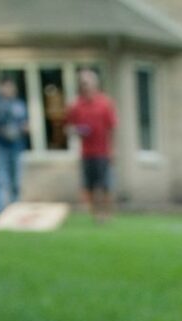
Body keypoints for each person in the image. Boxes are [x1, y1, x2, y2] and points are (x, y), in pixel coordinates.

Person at [65, 69, 117, 221]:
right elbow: (68, 128)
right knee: (90, 187)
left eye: (87, 83)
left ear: (95, 84)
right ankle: (96, 215)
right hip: (86, 152)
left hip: (103, 151)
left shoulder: (105, 103)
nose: (85, 86)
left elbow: (112, 127)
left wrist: (113, 150)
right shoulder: (75, 105)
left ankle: (107, 215)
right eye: (82, 83)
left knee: (105, 185)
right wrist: (76, 131)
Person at [0, 73, 28, 219]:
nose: (7, 90)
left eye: (9, 87)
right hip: (2, 146)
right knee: (0, 178)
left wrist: (22, 129)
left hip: (16, 146)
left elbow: (26, 124)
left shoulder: (19, 105)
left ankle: (16, 207)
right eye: (4, 87)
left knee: (16, 178)